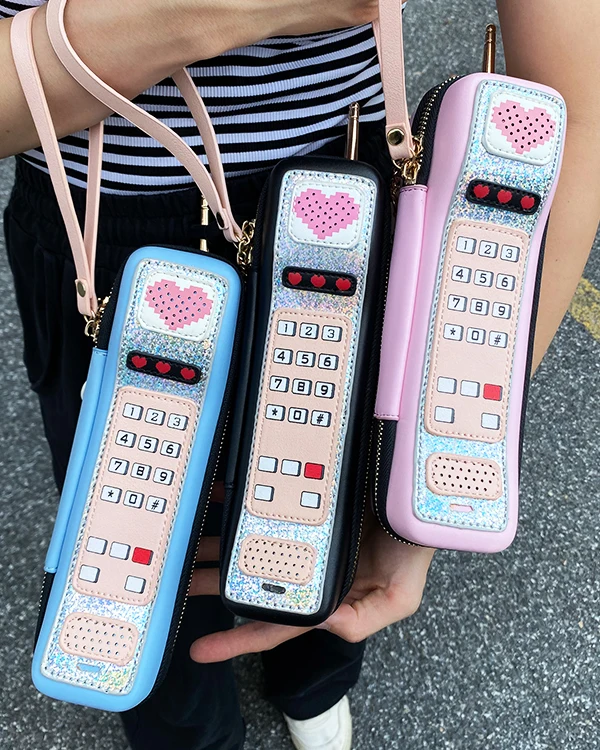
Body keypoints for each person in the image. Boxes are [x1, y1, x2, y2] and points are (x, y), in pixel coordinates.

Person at [0, 1, 598, 749]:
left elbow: (576, 109)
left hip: (346, 186)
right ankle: (190, 733)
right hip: (100, 226)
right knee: (138, 549)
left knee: (326, 526)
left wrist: (423, 471)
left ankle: (313, 683)